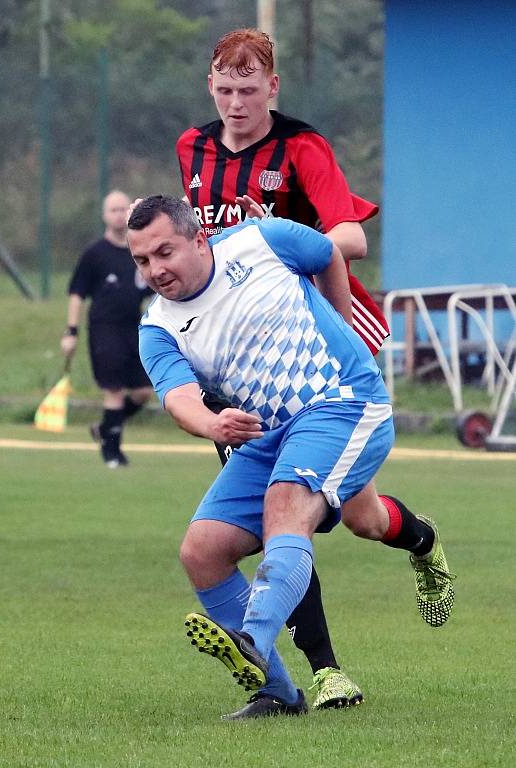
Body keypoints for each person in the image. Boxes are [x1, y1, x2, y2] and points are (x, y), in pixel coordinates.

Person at [128, 195, 455, 719]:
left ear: (198, 238)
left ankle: (251, 638)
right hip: (269, 435)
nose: (156, 270)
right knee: (204, 550)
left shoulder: (262, 240)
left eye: (165, 252)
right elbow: (179, 398)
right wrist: (212, 423)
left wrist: (342, 326)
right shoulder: (158, 328)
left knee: (288, 506)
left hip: (344, 402)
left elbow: (328, 252)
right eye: (142, 261)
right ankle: (278, 692)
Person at [173, 27, 389, 710]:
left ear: (273, 87)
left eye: (249, 88)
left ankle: (422, 545)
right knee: (279, 518)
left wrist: (278, 251)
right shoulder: (193, 149)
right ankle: (319, 673)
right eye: (225, 88)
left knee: (359, 518)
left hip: (314, 351)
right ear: (211, 85)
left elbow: (350, 235)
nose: (236, 102)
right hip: (241, 365)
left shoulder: (302, 147)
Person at [61, 190, 154, 468]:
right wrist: (71, 331)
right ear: (104, 215)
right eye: (112, 209)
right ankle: (112, 453)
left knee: (142, 392)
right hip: (104, 329)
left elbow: (150, 290)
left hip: (134, 329)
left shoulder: (139, 250)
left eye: (122, 208)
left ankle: (104, 429)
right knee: (113, 389)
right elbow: (77, 293)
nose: (118, 214)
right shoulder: (95, 254)